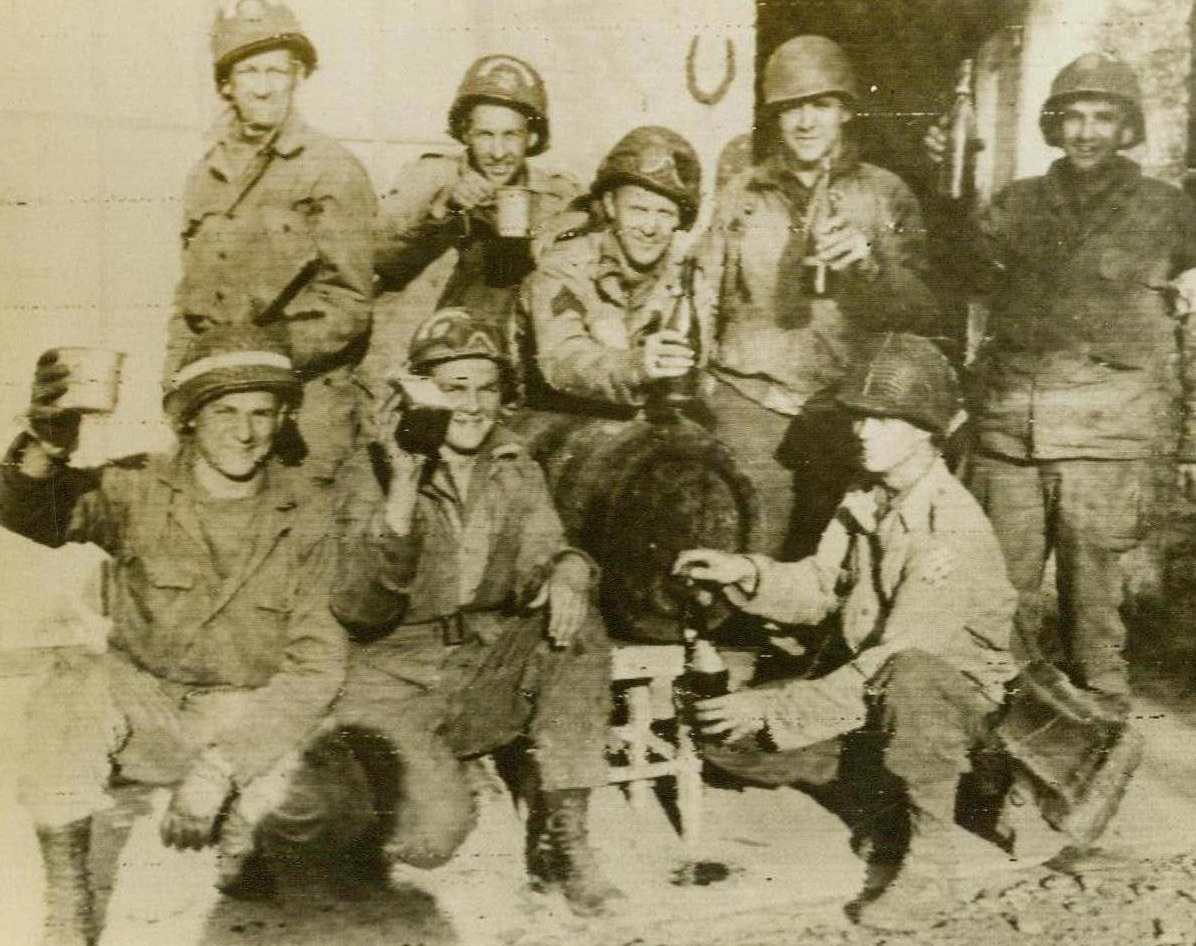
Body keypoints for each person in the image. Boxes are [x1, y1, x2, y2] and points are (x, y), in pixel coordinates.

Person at [7, 326, 347, 945]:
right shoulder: (140, 486)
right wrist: (45, 446)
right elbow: (33, 514)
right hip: (145, 702)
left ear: (281, 419)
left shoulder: (308, 513)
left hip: (240, 711)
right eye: (224, 412)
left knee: (319, 800)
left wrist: (222, 769)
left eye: (261, 413)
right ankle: (69, 897)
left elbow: (315, 666)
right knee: (66, 688)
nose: (245, 433)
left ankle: (244, 836)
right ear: (190, 420)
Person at [674, 333, 1017, 933]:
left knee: (910, 680)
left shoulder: (949, 527)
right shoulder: (866, 498)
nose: (863, 431)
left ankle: (933, 858)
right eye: (860, 417)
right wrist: (745, 571)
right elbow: (817, 587)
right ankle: (885, 804)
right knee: (730, 745)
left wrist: (775, 704)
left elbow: (895, 656)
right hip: (872, 689)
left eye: (883, 419)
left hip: (957, 708)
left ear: (927, 429)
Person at [925, 52, 1196, 713]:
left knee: (1095, 627)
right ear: (1055, 126)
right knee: (993, 611)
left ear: (1126, 127)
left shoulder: (1170, 212)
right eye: (1073, 117)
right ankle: (993, 764)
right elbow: (959, 270)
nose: (1087, 132)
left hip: (1108, 443)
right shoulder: (1018, 204)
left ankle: (1096, 765)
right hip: (1010, 438)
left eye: (1104, 117)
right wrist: (944, 183)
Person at [329, 307, 620, 917]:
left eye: (486, 388)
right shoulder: (371, 471)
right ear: (415, 391)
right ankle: (358, 796)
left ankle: (565, 838)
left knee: (578, 626)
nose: (473, 405)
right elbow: (360, 606)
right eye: (453, 387)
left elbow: (547, 551)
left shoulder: (512, 465)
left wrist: (570, 569)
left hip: (482, 666)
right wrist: (405, 487)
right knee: (430, 840)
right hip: (396, 677)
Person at [700, 35, 941, 559]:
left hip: (846, 415)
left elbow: (922, 310)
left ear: (845, 112)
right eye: (791, 108)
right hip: (750, 407)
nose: (805, 122)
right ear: (775, 117)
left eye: (821, 105)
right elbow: (704, 294)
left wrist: (870, 264)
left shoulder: (885, 194)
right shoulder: (742, 193)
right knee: (745, 558)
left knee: (836, 567)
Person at [168, 0, 377, 483]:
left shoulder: (331, 169)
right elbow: (188, 303)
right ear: (227, 85)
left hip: (306, 406)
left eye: (277, 71)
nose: (264, 87)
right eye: (249, 72)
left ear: (297, 77)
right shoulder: (205, 177)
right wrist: (177, 384)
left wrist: (257, 355)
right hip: (217, 402)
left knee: (305, 542)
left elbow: (349, 304)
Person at [375, 55, 581, 334]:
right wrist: (445, 212)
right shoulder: (430, 178)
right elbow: (379, 258)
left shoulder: (557, 196)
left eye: (511, 135)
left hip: (507, 347)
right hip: (418, 343)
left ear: (531, 137)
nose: (498, 152)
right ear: (466, 134)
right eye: (485, 135)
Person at [520, 125, 710, 416]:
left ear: (679, 220)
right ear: (610, 206)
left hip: (640, 420)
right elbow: (563, 360)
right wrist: (636, 365)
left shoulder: (685, 276)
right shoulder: (565, 266)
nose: (650, 228)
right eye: (638, 210)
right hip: (558, 416)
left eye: (664, 213)